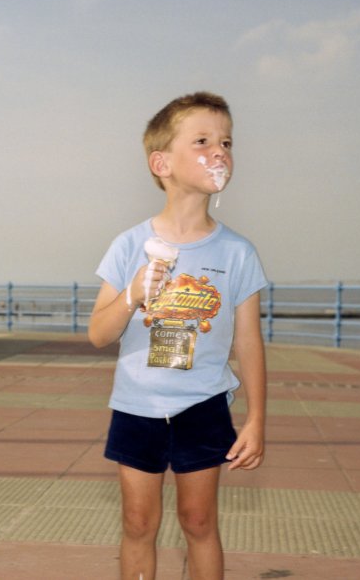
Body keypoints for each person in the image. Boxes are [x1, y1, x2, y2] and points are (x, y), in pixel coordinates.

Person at [87, 92, 267, 580]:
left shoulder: (237, 252)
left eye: (227, 142)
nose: (219, 151)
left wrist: (256, 420)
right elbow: (98, 334)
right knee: (138, 522)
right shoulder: (129, 245)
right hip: (136, 403)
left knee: (199, 521)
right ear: (161, 163)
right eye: (202, 141)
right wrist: (132, 294)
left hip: (203, 404)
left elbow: (248, 342)